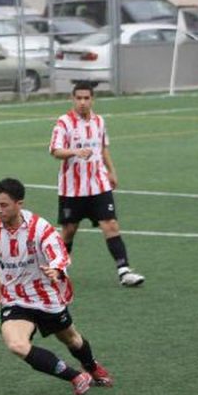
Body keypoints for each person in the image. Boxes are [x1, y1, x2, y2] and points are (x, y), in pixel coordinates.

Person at [0, 178, 113, 395]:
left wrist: (56, 268)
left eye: (4, 205)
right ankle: (75, 377)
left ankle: (92, 366)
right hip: (15, 299)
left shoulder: (40, 228)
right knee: (16, 344)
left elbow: (59, 253)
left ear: (19, 203)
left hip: (47, 297)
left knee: (72, 339)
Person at [49, 82, 144, 287]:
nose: (83, 102)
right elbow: (55, 151)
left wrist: (112, 171)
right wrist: (75, 152)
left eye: (86, 98)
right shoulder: (64, 122)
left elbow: (103, 149)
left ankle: (124, 270)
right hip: (72, 189)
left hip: (99, 185)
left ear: (92, 99)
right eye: (79, 98)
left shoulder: (99, 122)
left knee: (110, 225)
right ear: (72, 99)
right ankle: (57, 270)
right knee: (69, 230)